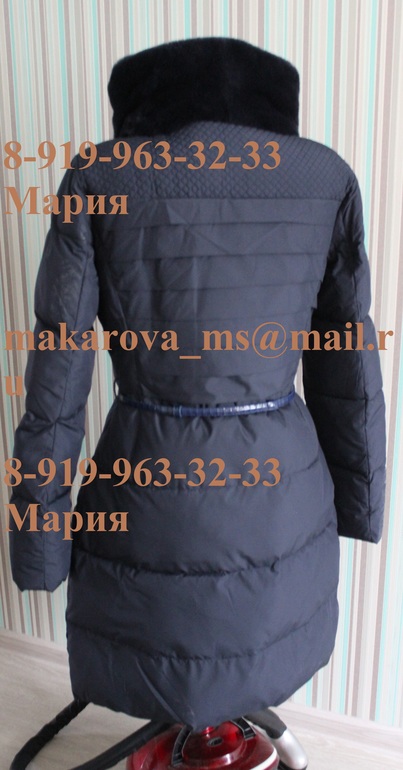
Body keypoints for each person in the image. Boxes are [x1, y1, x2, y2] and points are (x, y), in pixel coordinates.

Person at [9, 37, 386, 731]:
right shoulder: (325, 177)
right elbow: (348, 367)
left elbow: (57, 379)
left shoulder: (99, 177)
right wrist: (360, 498)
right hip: (281, 495)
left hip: (149, 486)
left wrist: (39, 541)